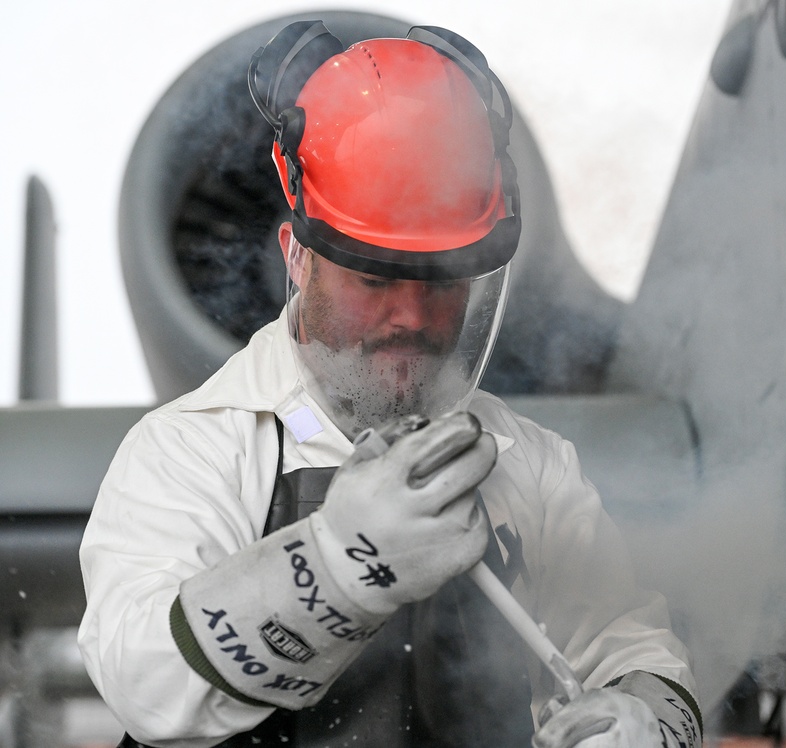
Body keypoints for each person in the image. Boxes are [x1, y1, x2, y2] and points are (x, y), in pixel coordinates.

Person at [78, 20, 703, 748]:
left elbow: (629, 647)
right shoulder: (191, 450)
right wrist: (341, 564)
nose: (411, 315)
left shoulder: (531, 466)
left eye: (441, 281)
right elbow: (147, 685)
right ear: (297, 258)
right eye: (375, 279)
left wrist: (645, 721)